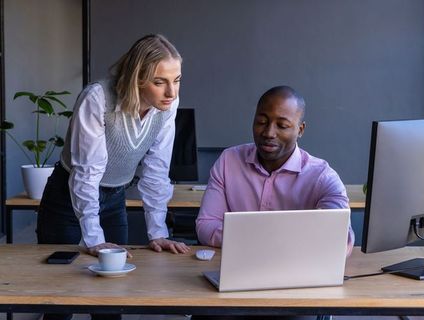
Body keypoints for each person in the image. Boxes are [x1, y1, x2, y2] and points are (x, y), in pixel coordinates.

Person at [194, 86, 353, 320]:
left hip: (296, 288)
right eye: (262, 121)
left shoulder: (322, 176)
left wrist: (248, 239)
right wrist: (280, 243)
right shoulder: (229, 161)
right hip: (235, 280)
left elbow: (341, 239)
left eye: (282, 125)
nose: (269, 132)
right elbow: (205, 225)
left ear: (300, 130)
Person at [37, 34, 190, 255]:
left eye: (176, 80)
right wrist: (94, 239)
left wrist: (158, 233)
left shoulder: (168, 104)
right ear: (137, 78)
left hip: (115, 197)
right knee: (59, 278)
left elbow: (157, 170)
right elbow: (87, 172)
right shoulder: (98, 98)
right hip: (67, 197)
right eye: (159, 82)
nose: (172, 92)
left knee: (116, 279)